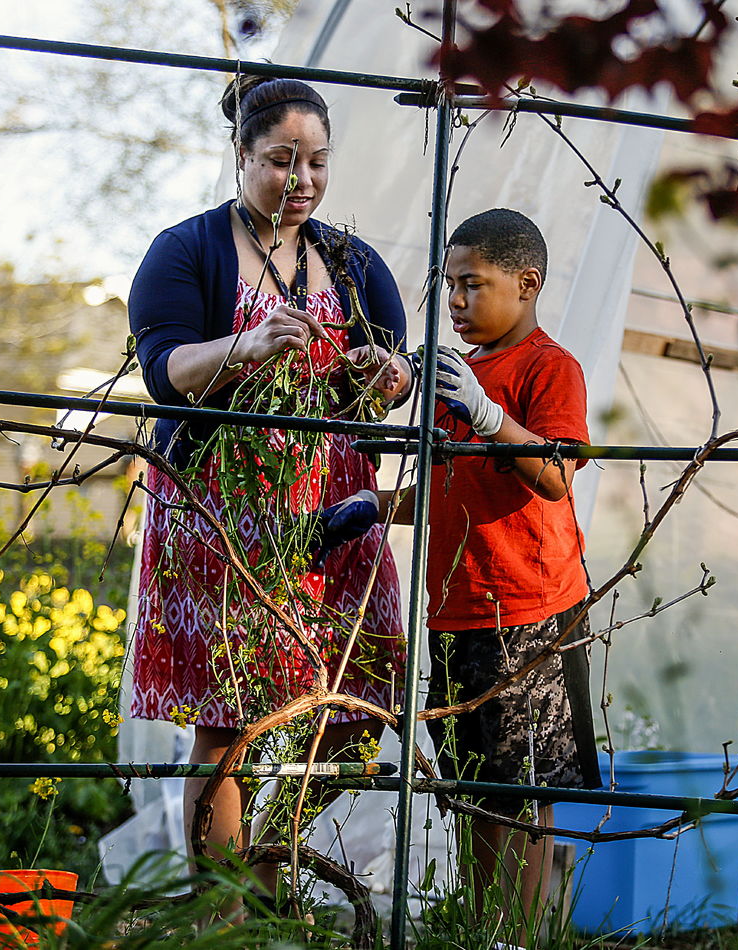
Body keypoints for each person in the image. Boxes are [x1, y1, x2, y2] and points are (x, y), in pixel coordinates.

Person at [126, 75, 406, 882]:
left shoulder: (350, 262)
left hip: (334, 511)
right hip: (223, 508)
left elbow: (390, 375)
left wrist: (388, 376)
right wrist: (244, 349)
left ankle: (259, 857)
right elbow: (164, 368)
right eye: (283, 160)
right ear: (241, 154)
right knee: (230, 721)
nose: (304, 179)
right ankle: (224, 915)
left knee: (364, 695)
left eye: (318, 161)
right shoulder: (187, 249)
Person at [357, 208, 599, 941]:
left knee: (518, 791)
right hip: (458, 609)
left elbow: (555, 476)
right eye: (450, 286)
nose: (456, 302)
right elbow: (446, 493)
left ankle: (515, 936)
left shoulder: (547, 368)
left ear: (525, 284)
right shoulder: (459, 377)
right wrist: (371, 506)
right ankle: (481, 927)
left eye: (473, 285)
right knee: (469, 785)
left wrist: (491, 417)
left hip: (528, 610)